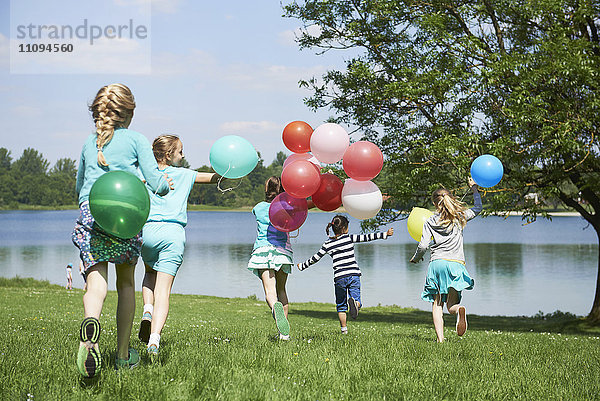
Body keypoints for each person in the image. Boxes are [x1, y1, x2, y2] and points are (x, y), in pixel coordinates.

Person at [72, 83, 172, 378]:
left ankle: (91, 326)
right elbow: (155, 182)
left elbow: (80, 187)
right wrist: (166, 186)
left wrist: (87, 208)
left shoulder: (91, 143)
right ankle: (122, 354)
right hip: (126, 216)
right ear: (130, 111)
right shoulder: (137, 140)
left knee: (95, 283)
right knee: (126, 284)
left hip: (93, 213)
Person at [138, 134, 219, 359]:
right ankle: (154, 339)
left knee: (148, 272)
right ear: (169, 154)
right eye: (180, 151)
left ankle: (147, 309)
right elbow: (214, 178)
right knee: (163, 291)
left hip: (147, 232)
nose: (183, 155)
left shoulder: (144, 175)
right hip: (173, 234)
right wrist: (231, 172)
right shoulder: (185, 174)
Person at [409, 177, 481, 343]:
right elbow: (478, 208)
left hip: (437, 264)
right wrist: (474, 190)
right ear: (451, 200)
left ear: (435, 204)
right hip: (456, 264)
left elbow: (423, 245)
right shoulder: (459, 217)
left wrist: (416, 258)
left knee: (437, 304)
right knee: (451, 306)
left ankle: (440, 340)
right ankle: (459, 310)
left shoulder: (430, 221)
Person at [297, 215, 393, 334]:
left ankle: (344, 330)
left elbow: (315, 258)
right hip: (353, 274)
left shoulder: (328, 244)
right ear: (344, 228)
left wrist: (303, 265)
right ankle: (356, 304)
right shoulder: (349, 238)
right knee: (356, 297)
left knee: (341, 305)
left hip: (340, 277)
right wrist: (384, 234)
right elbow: (367, 237)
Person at [247, 176, 298, 340]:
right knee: (282, 290)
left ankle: (274, 307)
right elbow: (304, 207)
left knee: (270, 291)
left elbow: (258, 215)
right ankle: (284, 334)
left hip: (263, 252)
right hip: (283, 252)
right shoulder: (287, 207)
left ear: (267, 189)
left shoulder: (258, 207)